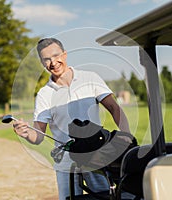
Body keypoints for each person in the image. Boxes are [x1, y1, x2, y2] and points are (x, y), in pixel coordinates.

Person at [13, 38, 131, 199]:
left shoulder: (90, 78)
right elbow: (38, 136)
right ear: (42, 62)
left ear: (65, 54)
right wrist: (26, 134)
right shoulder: (44, 94)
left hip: (95, 158)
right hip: (65, 165)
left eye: (56, 56)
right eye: (46, 59)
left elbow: (113, 108)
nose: (53, 62)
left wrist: (126, 135)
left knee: (103, 197)